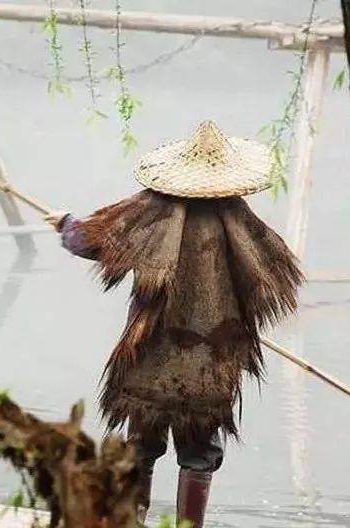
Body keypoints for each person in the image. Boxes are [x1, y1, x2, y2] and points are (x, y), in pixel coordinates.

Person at [45, 121, 303, 528]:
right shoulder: (238, 217)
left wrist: (66, 224)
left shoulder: (150, 209)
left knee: (140, 447)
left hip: (150, 353)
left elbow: (93, 242)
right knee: (199, 452)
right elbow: (273, 272)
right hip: (213, 359)